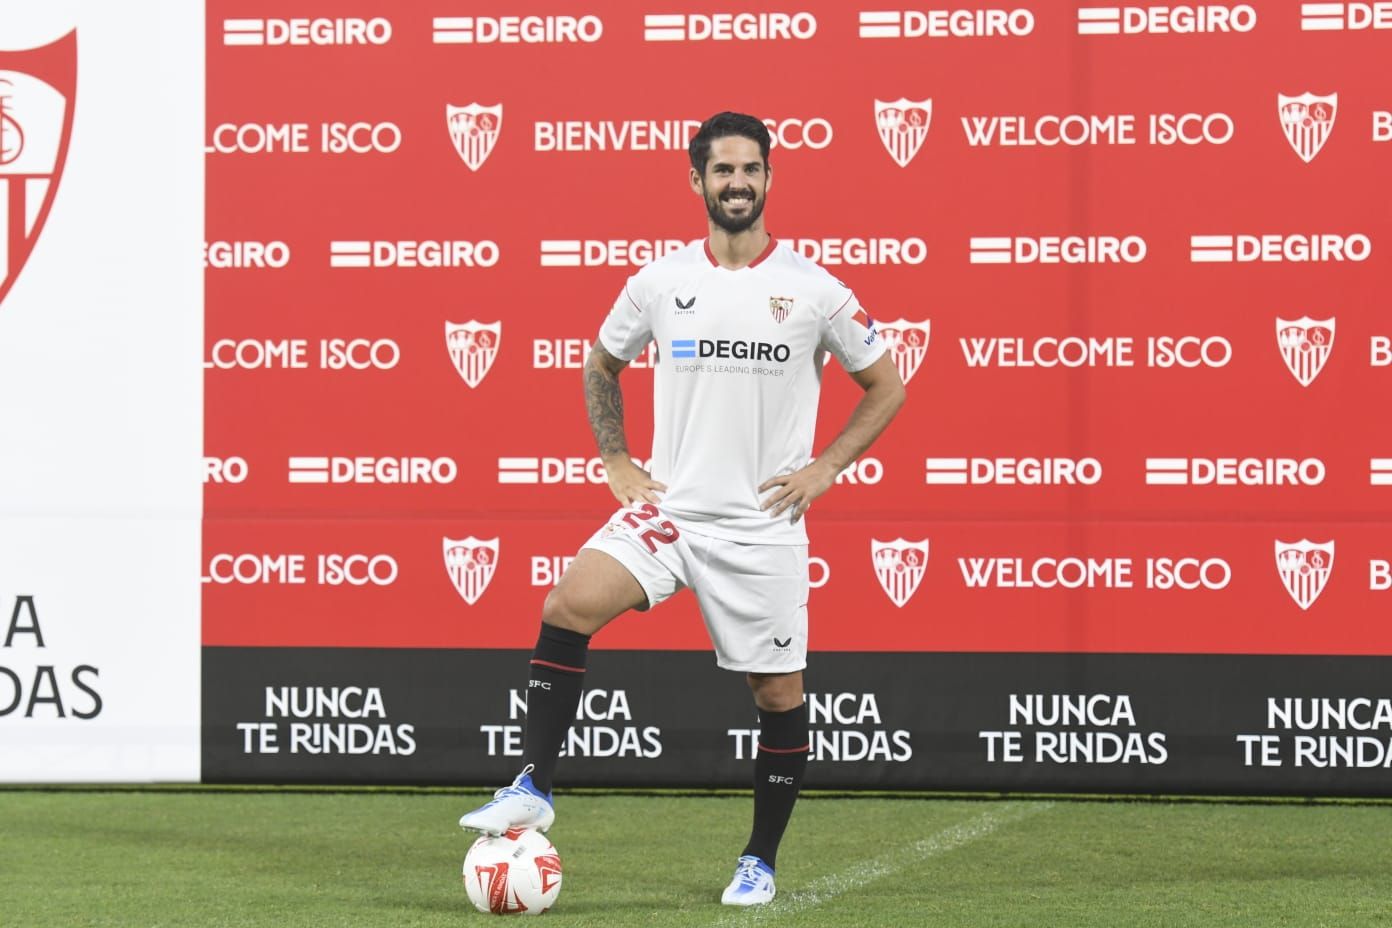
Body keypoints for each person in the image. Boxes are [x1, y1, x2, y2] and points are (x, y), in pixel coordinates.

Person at [459, 111, 906, 906]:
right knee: (568, 603)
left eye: (752, 170)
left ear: (769, 179)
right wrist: (616, 459)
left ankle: (759, 861)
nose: (739, 182)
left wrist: (827, 467)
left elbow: (887, 384)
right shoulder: (659, 281)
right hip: (673, 513)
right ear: (696, 180)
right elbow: (601, 364)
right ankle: (535, 783)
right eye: (723, 170)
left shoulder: (814, 289)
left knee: (777, 698)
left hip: (760, 527)